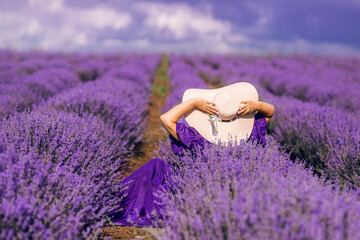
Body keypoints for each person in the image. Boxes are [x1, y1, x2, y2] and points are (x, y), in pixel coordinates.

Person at [108, 82, 275, 227]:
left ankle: (111, 202)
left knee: (156, 167)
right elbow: (270, 111)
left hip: (196, 187)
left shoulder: (197, 137)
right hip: (233, 190)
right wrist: (256, 106)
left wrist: (194, 103)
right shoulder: (252, 133)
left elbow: (166, 118)